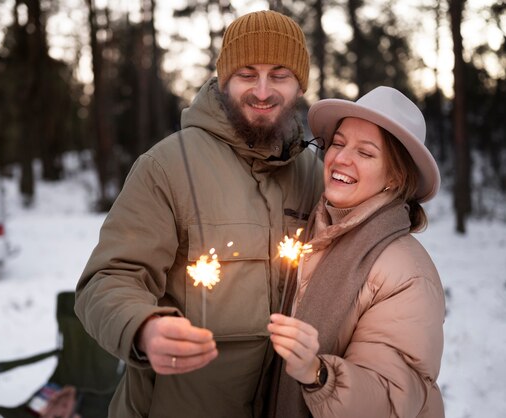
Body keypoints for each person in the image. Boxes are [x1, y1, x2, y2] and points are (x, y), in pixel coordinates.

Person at [74, 10, 324, 418]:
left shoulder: (314, 174)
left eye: (279, 74)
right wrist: (144, 327)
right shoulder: (168, 166)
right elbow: (107, 280)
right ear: (224, 80)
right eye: (247, 73)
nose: (263, 90)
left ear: (300, 84)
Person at [266, 86, 445, 417]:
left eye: (365, 153)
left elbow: (394, 395)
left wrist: (318, 375)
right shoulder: (311, 235)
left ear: (395, 176)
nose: (341, 159)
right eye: (338, 142)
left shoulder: (406, 272)